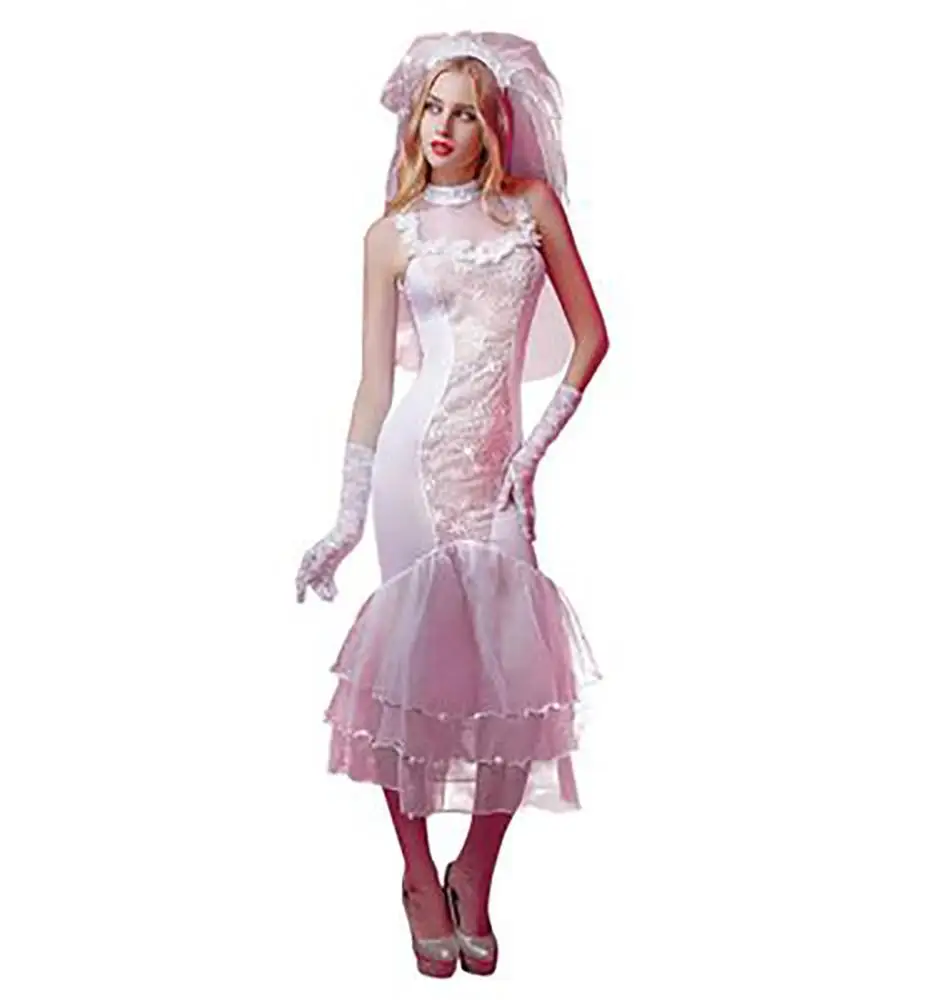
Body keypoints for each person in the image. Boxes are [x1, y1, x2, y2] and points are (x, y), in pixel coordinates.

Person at [294, 31, 610, 977]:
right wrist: (346, 518)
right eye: (432, 106)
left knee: (519, 672)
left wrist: (532, 454)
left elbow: (593, 337)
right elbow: (372, 387)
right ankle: (416, 876)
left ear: (493, 125)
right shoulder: (389, 237)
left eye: (464, 111)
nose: (443, 125)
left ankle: (475, 868)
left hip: (498, 470)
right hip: (410, 473)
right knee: (413, 674)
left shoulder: (530, 209)